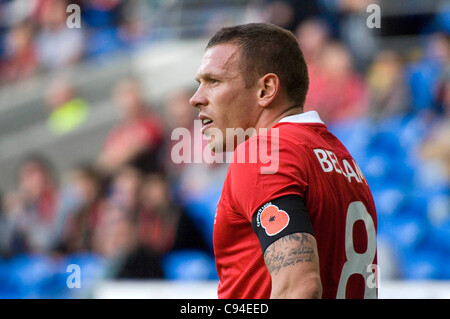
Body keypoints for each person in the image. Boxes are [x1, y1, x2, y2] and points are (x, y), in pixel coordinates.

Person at [189, 23, 378, 299]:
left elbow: (299, 288)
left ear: (266, 89)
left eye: (213, 81)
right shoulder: (344, 162)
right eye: (199, 84)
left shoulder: (262, 154)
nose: (196, 99)